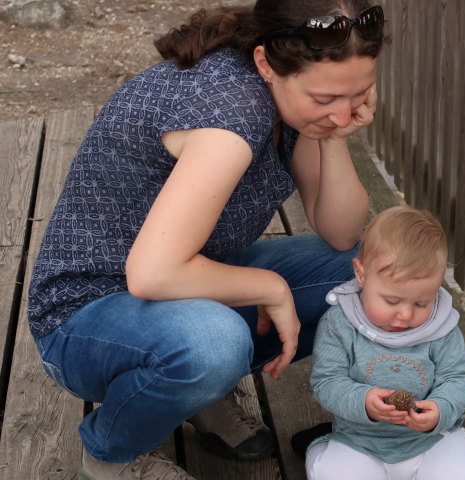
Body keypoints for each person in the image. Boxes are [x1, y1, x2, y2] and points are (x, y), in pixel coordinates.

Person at [27, 1, 386, 479]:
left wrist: (335, 137)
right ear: (265, 63)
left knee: (375, 269)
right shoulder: (230, 113)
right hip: (85, 315)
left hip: (182, 285)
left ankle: (198, 396)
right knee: (213, 343)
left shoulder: (292, 101)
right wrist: (271, 289)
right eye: (324, 100)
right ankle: (108, 455)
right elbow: (153, 273)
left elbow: (341, 233)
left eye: (358, 93)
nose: (343, 114)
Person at [299, 205, 465, 479]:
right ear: (361, 274)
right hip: (359, 439)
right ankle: (321, 444)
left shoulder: (440, 326)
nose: (405, 314)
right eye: (391, 301)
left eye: (422, 302)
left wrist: (439, 409)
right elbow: (326, 382)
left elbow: (458, 378)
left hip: (432, 440)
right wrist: (363, 400)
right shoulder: (340, 322)